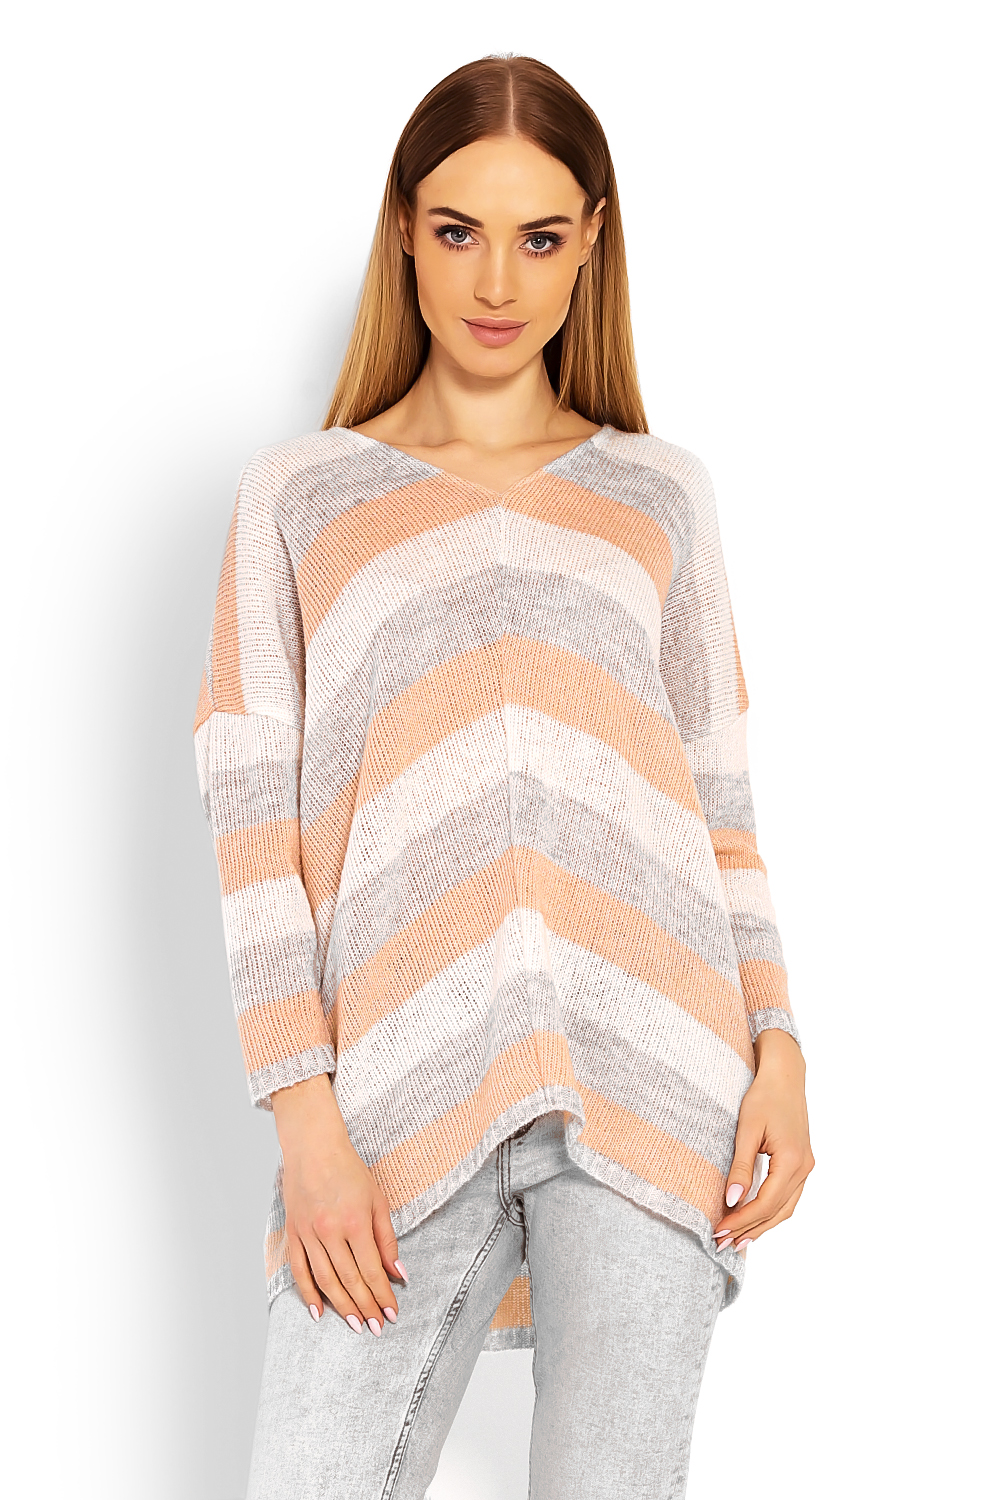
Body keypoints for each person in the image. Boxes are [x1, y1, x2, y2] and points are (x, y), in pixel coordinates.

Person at [193, 53, 814, 1500]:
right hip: (392, 1097)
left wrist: (779, 1042)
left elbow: (717, 800)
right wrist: (303, 1116)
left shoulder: (661, 493)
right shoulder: (302, 496)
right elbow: (251, 825)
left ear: (591, 240)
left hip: (660, 1079)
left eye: (539, 237)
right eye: (459, 228)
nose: (496, 280)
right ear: (404, 230)